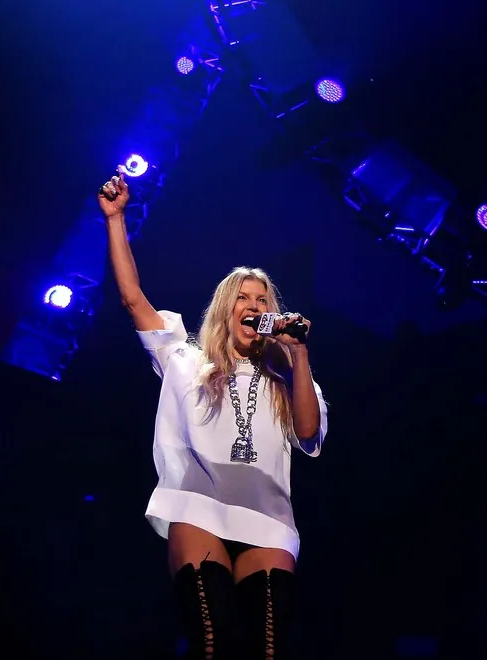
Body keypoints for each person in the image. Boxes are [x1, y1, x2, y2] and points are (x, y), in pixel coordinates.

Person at [98, 170, 328, 659]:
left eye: (262, 299)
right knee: (216, 639)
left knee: (267, 648)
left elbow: (309, 433)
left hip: (268, 518)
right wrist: (117, 220)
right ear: (226, 310)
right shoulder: (184, 358)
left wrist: (300, 356)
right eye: (242, 298)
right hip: (197, 508)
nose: (252, 304)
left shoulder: (288, 379)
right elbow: (132, 299)